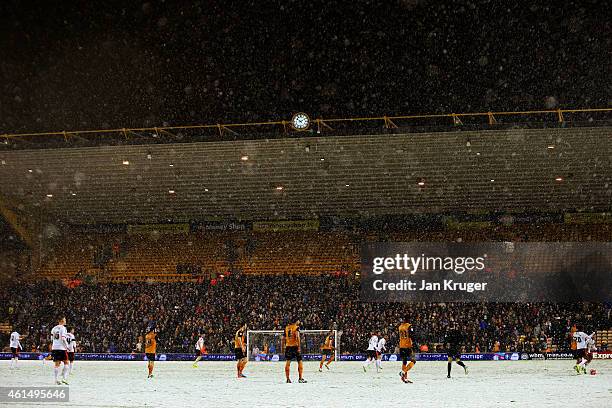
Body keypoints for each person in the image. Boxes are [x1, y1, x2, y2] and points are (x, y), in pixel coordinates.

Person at [284, 319, 306, 383]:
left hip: (288, 346)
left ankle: (288, 379)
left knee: (288, 363)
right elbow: (297, 337)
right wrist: (299, 347)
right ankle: (300, 378)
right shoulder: (296, 328)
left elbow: (284, 338)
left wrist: (283, 347)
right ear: (296, 321)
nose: (299, 322)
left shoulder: (286, 328)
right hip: (295, 346)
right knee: (300, 361)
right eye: (298, 320)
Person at [50, 317, 70, 385]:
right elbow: (63, 339)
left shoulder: (54, 328)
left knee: (57, 364)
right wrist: (67, 346)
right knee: (66, 362)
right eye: (65, 320)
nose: (65, 321)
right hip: (61, 348)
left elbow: (51, 338)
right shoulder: (63, 328)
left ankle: (56, 380)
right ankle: (64, 378)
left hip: (55, 347)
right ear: (62, 321)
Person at [398, 318, 416, 383]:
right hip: (408, 346)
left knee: (404, 362)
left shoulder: (400, 327)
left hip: (401, 346)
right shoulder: (409, 326)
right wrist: (414, 342)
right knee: (413, 360)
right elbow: (411, 335)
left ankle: (404, 378)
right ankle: (403, 372)